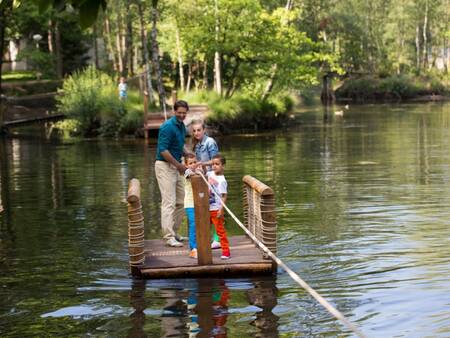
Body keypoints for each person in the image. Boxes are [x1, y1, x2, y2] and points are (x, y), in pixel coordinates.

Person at [155, 100, 190, 247]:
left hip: (176, 166)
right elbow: (163, 150)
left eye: (184, 112)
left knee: (182, 201)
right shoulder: (167, 127)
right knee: (168, 202)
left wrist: (189, 153)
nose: (182, 115)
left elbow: (179, 145)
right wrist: (179, 166)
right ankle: (168, 237)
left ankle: (174, 232)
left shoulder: (182, 126)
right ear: (174, 111)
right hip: (165, 166)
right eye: (179, 112)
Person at [191, 119, 221, 249]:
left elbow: (216, 161)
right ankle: (207, 237)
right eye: (194, 131)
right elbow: (198, 162)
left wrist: (203, 164)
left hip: (213, 179)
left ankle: (218, 239)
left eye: (199, 130)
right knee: (206, 210)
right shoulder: (197, 145)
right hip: (204, 179)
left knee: (215, 209)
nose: (197, 133)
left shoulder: (210, 142)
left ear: (204, 130)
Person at [208, 154, 230, 259]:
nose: (214, 166)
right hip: (206, 208)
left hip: (216, 209)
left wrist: (221, 209)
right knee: (204, 229)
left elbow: (224, 196)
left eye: (217, 164)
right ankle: (204, 249)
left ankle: (226, 252)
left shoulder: (222, 181)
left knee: (220, 231)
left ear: (223, 166)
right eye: (213, 164)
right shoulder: (210, 174)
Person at [184, 153, 202, 258]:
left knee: (200, 224)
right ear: (186, 165)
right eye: (190, 163)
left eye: (195, 162)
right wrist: (195, 172)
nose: (193, 164)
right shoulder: (187, 172)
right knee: (193, 224)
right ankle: (193, 248)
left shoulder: (199, 171)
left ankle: (200, 245)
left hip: (200, 203)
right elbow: (190, 174)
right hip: (190, 203)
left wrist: (201, 172)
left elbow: (203, 177)